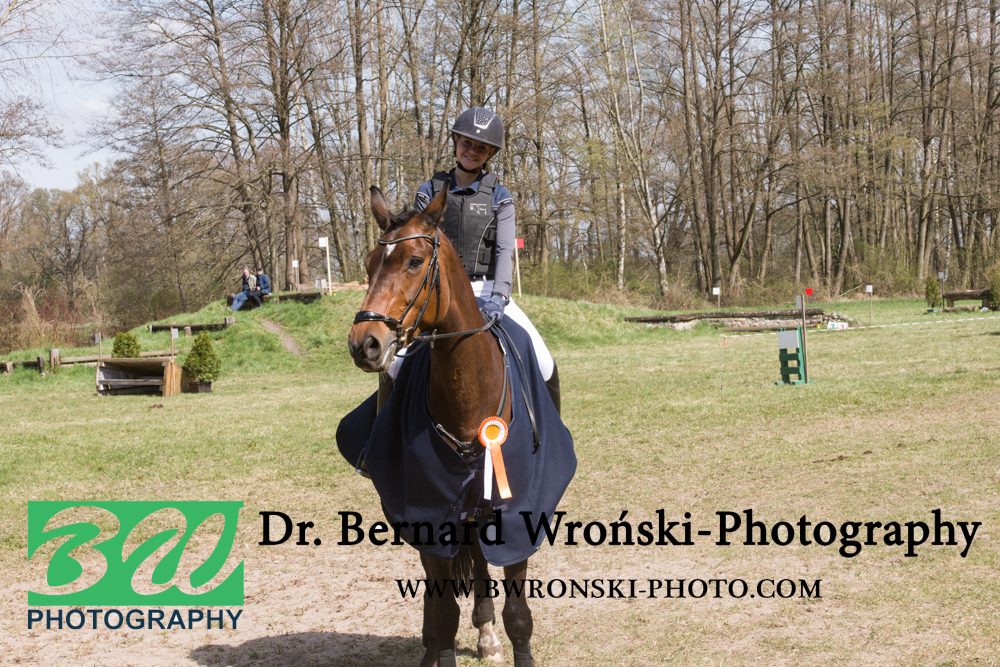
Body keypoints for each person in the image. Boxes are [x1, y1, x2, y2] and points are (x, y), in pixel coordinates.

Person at [385, 107, 560, 412]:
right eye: (467, 143)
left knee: (544, 362)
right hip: (442, 293)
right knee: (394, 363)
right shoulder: (429, 191)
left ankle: (547, 435)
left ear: (490, 152)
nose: (472, 151)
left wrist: (500, 296)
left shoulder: (500, 196)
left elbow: (504, 250)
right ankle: (383, 436)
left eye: (481, 147)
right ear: (455, 141)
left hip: (487, 290)